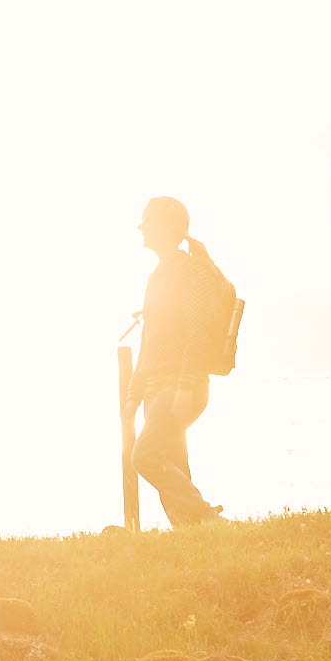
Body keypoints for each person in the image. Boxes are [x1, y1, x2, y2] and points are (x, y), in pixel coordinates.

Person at [130, 195, 226, 527]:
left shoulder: (192, 269)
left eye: (148, 220)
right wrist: (134, 395)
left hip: (180, 385)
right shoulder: (157, 275)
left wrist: (186, 384)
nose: (141, 226)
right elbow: (149, 339)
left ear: (170, 226)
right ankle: (195, 536)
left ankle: (206, 518)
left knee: (146, 456)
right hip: (157, 388)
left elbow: (198, 330)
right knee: (173, 466)